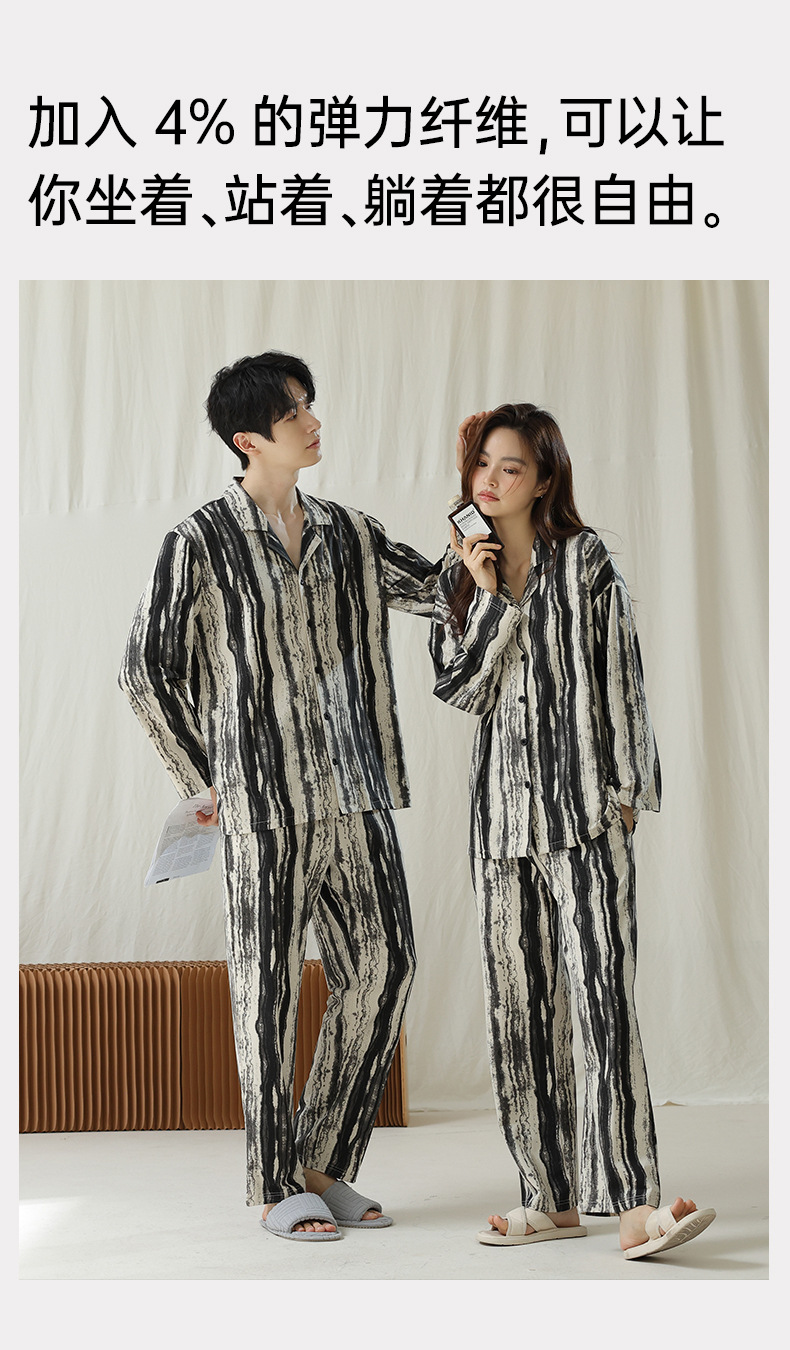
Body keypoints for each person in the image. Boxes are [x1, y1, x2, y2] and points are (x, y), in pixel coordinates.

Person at [120, 351, 442, 1241]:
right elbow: (145, 669)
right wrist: (204, 777)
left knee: (386, 964)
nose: (313, 420)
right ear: (249, 440)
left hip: (356, 790)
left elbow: (440, 592)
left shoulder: (350, 532)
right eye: (296, 410)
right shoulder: (198, 542)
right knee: (265, 988)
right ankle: (272, 1186)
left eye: (309, 404)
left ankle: (322, 1164)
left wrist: (488, 529)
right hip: (261, 806)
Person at [430, 403, 716, 1259]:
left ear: (545, 478)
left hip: (585, 820)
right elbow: (461, 691)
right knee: (518, 1015)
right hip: (500, 832)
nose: (490, 481)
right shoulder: (457, 576)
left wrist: (626, 794)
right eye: (482, 464)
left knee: (602, 1007)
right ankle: (546, 1198)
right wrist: (487, 597)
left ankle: (633, 1206)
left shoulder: (584, 562)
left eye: (510, 467)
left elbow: (622, 676)